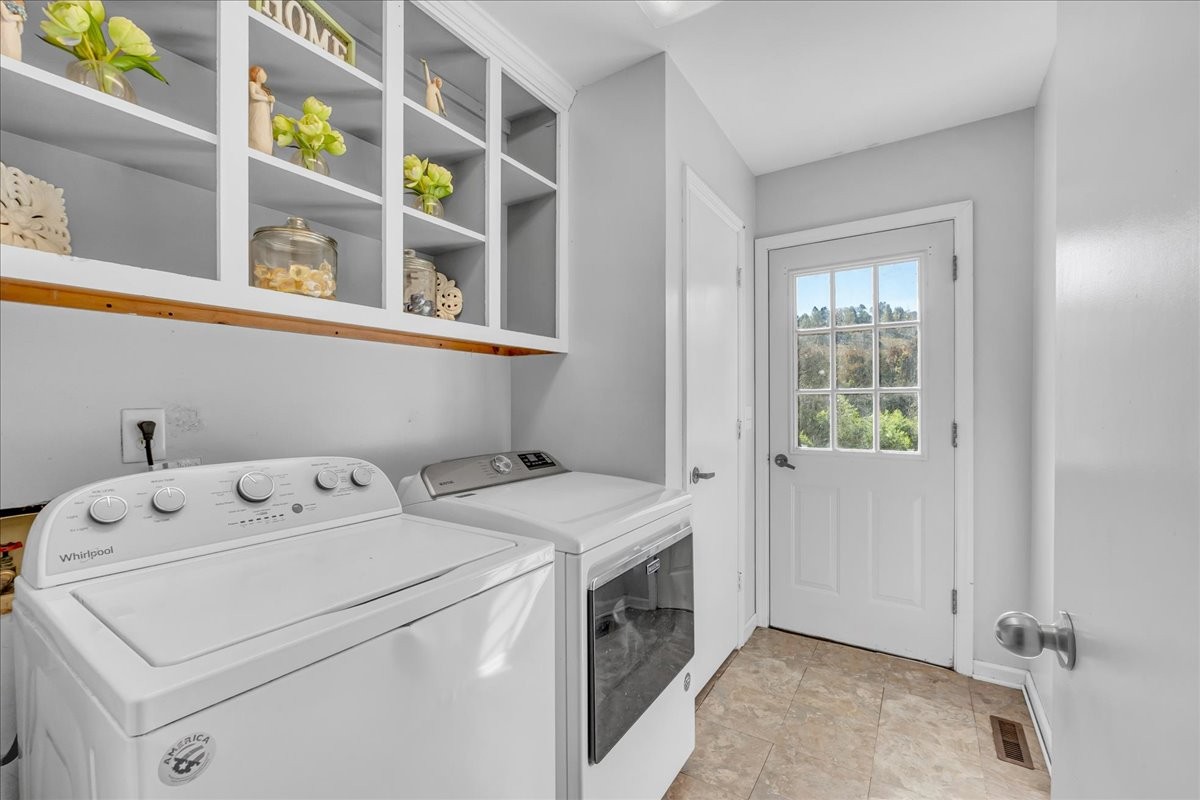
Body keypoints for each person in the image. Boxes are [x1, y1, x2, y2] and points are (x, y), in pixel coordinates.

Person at [248, 65, 275, 154]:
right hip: (257, 112)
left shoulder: (264, 91)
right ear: (256, 74)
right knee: (256, 128)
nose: (264, 75)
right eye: (262, 72)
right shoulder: (252, 84)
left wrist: (271, 102)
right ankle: (256, 146)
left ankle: (266, 150)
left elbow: (270, 111)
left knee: (265, 130)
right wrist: (267, 99)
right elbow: (253, 95)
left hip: (265, 115)